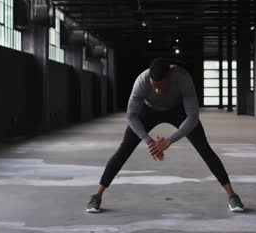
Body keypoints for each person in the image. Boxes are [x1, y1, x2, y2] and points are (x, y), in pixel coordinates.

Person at [86, 58, 244, 213]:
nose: (157, 91)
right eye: (154, 87)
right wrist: (149, 141)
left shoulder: (183, 78)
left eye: (161, 86)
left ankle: (232, 195)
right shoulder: (141, 82)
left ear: (170, 77)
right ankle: (97, 195)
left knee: (204, 148)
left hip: (177, 110)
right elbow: (131, 116)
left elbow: (192, 118)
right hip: (148, 112)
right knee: (124, 149)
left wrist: (169, 141)